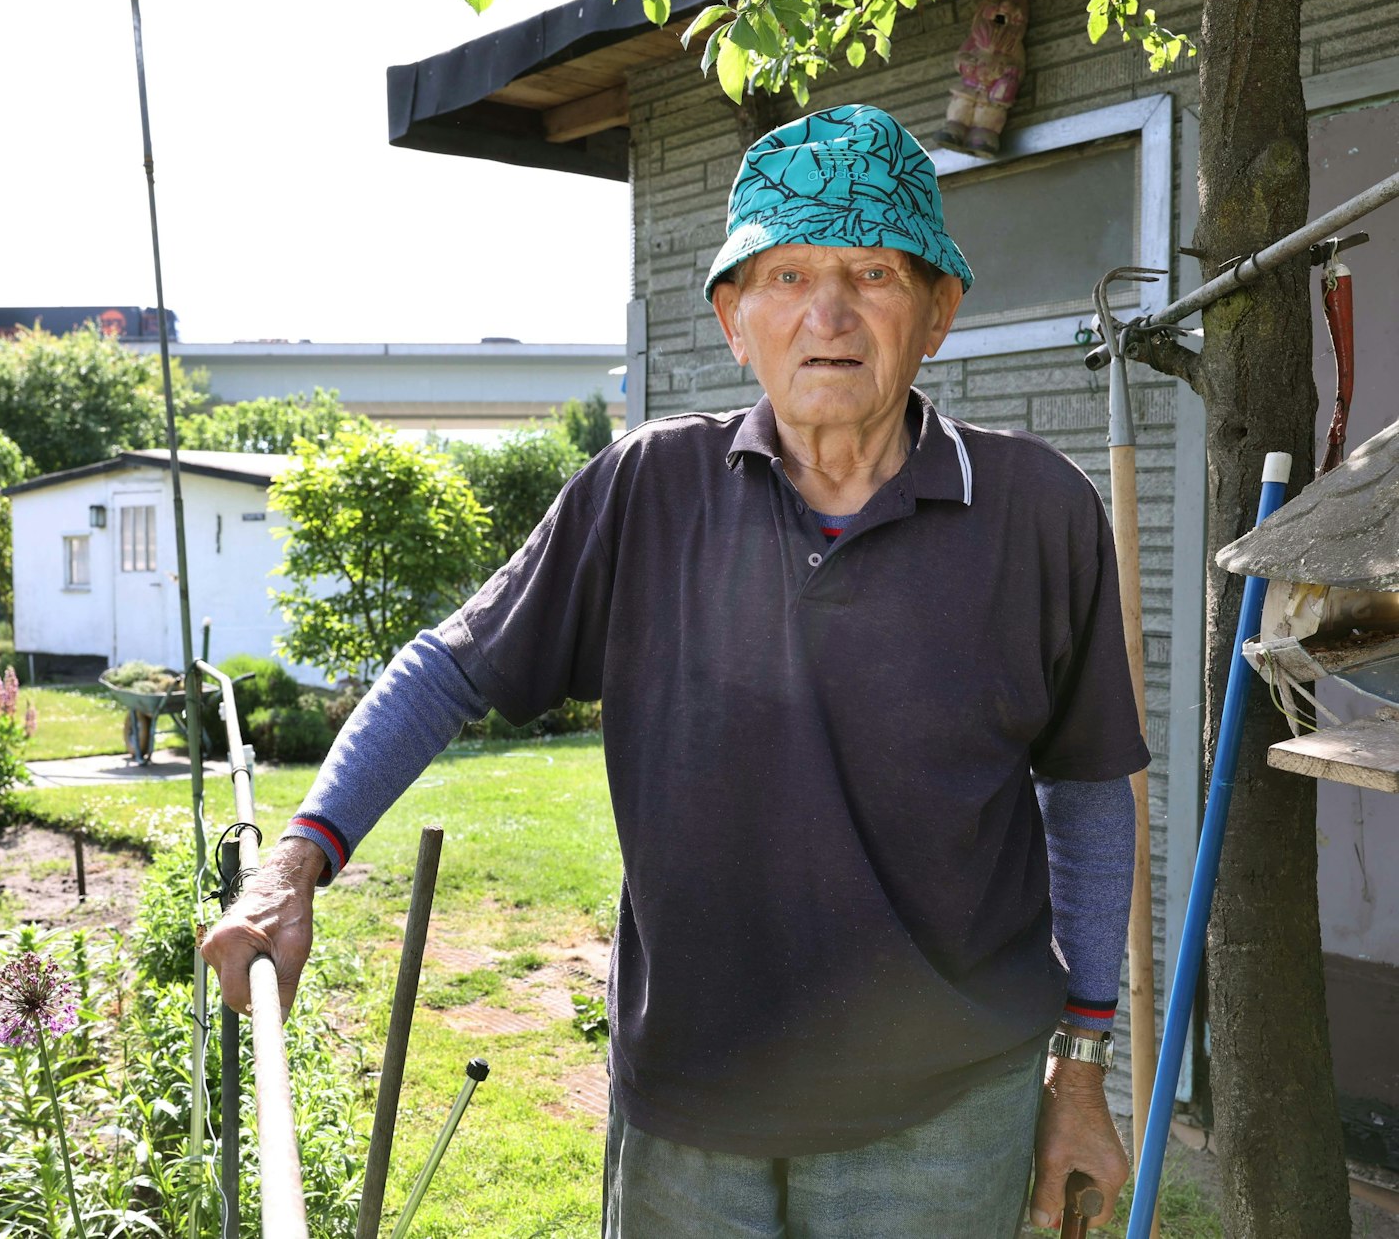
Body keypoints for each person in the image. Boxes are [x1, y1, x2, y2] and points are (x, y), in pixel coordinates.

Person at [202, 103, 1145, 1237]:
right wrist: (296, 862)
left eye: (873, 273)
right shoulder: (645, 490)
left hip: (942, 1116)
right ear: (732, 319)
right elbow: (448, 666)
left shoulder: (1036, 512)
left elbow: (1086, 789)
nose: (828, 313)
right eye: (786, 274)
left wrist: (1081, 1065)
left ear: (937, 311)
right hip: (690, 1111)